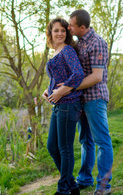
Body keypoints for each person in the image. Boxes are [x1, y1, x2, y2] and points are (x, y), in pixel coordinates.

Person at [52, 9, 113, 195]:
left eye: (71, 25)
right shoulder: (78, 44)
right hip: (80, 100)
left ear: (83, 27)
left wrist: (69, 87)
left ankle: (103, 186)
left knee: (102, 141)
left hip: (95, 98)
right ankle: (84, 179)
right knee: (85, 140)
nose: (68, 28)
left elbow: (96, 77)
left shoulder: (98, 43)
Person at [42, 17, 84, 195]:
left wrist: (61, 91)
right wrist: (49, 90)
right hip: (58, 105)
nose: (60, 33)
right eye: (56, 30)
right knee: (52, 147)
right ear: (50, 33)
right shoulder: (56, 51)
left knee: (65, 148)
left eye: (63, 30)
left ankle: (63, 189)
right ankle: (72, 185)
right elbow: (57, 77)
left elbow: (78, 74)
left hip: (69, 104)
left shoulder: (67, 50)